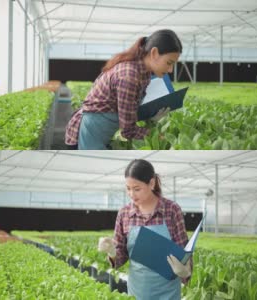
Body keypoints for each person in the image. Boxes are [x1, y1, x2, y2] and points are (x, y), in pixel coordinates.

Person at [65, 29, 182, 149]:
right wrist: (159, 136)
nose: (170, 70)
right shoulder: (129, 76)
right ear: (154, 53)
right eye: (169, 63)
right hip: (88, 133)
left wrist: (150, 117)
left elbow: (127, 109)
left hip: (101, 131)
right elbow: (128, 131)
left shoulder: (144, 73)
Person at [97, 159, 192, 300]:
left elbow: (183, 252)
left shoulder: (171, 210)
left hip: (168, 293)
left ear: (152, 183)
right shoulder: (124, 213)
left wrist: (185, 271)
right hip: (138, 292)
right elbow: (121, 257)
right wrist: (112, 252)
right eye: (128, 188)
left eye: (137, 189)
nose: (131, 194)